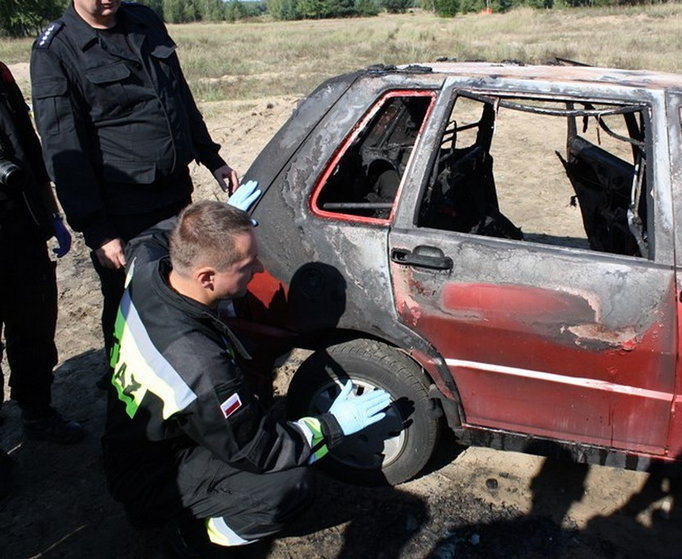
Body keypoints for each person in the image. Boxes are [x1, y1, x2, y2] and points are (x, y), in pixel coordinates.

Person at [102, 200, 392, 553]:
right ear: (206, 277)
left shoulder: (147, 267)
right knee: (289, 486)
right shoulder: (201, 367)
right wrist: (331, 426)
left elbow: (151, 238)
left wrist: (215, 221)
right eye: (246, 264)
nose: (258, 267)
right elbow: (261, 450)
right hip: (154, 475)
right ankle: (199, 536)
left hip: (135, 435)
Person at [29, 0, 239, 364]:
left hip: (174, 191)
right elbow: (64, 147)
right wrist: (98, 231)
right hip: (122, 209)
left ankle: (191, 374)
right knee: (130, 306)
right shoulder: (56, 49)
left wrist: (211, 156)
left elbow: (178, 96)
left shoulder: (143, 20)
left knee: (185, 289)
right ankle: (127, 390)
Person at [0, 59, 84, 497]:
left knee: (34, 324)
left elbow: (29, 149)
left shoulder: (1, 74)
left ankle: (37, 411)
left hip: (21, 223)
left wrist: (51, 210)